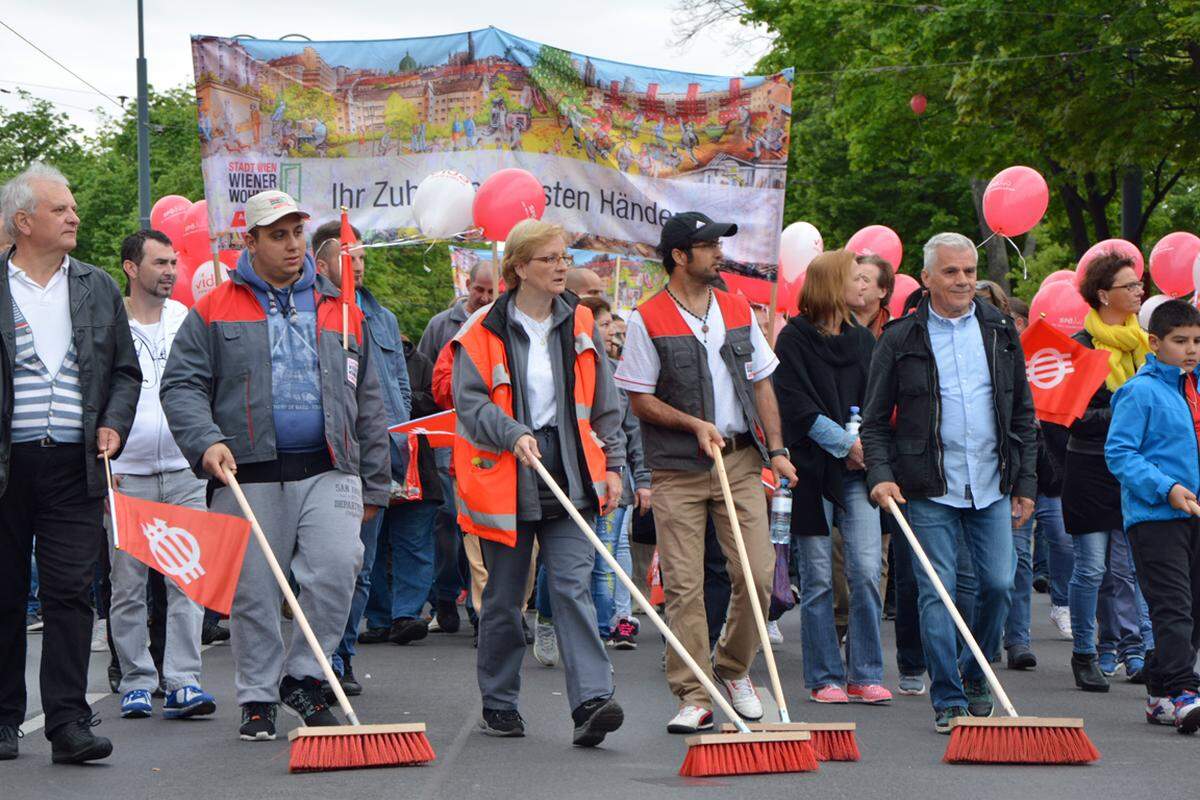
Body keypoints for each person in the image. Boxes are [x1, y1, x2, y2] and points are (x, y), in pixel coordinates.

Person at [161, 190, 390, 742]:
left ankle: (306, 678)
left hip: (329, 467)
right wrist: (206, 440)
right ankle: (258, 696)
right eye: (277, 235)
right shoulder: (214, 307)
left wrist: (376, 480)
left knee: (338, 569)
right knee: (253, 592)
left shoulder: (342, 308)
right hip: (246, 472)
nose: (292, 245)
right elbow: (182, 385)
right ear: (251, 242)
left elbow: (371, 398)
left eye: (296, 233)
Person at [615, 211, 797, 733]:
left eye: (719, 243)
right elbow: (640, 400)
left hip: (740, 459)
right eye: (709, 245)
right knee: (685, 584)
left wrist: (777, 450)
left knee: (758, 575)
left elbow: (762, 383)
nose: (720, 252)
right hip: (677, 469)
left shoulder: (738, 307)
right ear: (679, 256)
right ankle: (694, 692)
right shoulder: (647, 317)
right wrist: (693, 423)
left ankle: (732, 667)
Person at [452, 218, 626, 746]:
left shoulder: (580, 326)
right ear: (519, 267)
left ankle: (592, 701)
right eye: (550, 259)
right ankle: (500, 702)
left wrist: (614, 463)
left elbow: (605, 402)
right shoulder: (480, 330)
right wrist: (511, 433)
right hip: (507, 474)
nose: (561, 267)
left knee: (573, 588)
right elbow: (470, 403)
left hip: (570, 468)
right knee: (505, 598)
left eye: (564, 258)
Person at [862, 232, 1037, 734]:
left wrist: (1025, 481)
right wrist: (881, 475)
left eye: (969, 272)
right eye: (951, 272)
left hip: (992, 481)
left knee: (1000, 585)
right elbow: (874, 422)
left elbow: (1023, 412)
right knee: (936, 593)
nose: (963, 281)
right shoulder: (900, 337)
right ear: (926, 278)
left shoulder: (1001, 329)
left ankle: (976, 670)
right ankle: (948, 697)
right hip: (927, 485)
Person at [0, 162, 140, 763]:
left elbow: (127, 372)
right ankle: (3, 719)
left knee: (69, 593)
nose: (74, 217)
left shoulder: (97, 286)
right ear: (23, 221)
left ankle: (67, 723)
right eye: (60, 209)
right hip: (7, 465)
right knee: (4, 593)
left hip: (75, 465)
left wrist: (113, 420)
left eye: (73, 207)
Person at [773, 250, 891, 704]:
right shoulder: (794, 339)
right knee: (820, 577)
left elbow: (876, 399)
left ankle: (865, 671)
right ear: (828, 284)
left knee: (865, 571)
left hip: (857, 472)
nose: (861, 287)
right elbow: (794, 403)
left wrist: (867, 448)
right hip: (812, 469)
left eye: (866, 281)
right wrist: (846, 444)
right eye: (852, 279)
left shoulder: (862, 340)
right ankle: (824, 675)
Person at [109, 230, 216, 721]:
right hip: (126, 474)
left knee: (187, 583)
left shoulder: (187, 320)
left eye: (174, 262)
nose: (172, 271)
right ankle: (135, 680)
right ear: (132, 268)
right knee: (127, 586)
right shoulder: (108, 322)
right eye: (160, 262)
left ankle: (183, 681)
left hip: (183, 470)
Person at [311, 220, 413, 694]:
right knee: (324, 569)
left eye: (363, 257)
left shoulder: (382, 318)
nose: (359, 265)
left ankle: (343, 655)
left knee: (361, 567)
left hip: (374, 458)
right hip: (325, 460)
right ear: (322, 261)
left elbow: (396, 387)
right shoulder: (312, 312)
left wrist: (393, 442)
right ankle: (315, 656)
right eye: (350, 257)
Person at [1106, 299, 1200, 733]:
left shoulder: (1195, 388)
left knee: (1194, 610)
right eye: (1180, 341)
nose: (1191, 349)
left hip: (1195, 514)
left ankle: (1160, 691)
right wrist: (1167, 488)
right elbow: (1119, 453)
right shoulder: (1139, 391)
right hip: (1155, 516)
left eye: (1197, 341)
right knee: (1173, 608)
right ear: (1155, 342)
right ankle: (1185, 691)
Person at [1063, 252, 1155, 691]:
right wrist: (1125, 411)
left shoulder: (1146, 343)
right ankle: (1087, 652)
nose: (1140, 291)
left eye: (1140, 285)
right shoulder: (1080, 345)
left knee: (1129, 567)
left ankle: (1134, 650)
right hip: (1089, 466)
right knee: (1092, 568)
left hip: (1134, 467)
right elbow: (1075, 417)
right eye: (1130, 286)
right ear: (1104, 295)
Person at [418, 261, 494, 636]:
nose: (483, 298)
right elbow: (431, 381)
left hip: (496, 441)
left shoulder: (507, 323)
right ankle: (445, 597)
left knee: (483, 526)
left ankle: (486, 612)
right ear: (468, 285)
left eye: (491, 292)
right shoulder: (441, 326)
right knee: (448, 521)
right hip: (451, 440)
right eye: (479, 290)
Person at [362, 334, 443, 662]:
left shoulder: (421, 363)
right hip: (373, 469)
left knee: (413, 545)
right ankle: (381, 617)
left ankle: (405, 615)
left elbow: (436, 402)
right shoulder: (356, 357)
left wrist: (402, 403)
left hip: (415, 472)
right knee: (374, 546)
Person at [579, 294, 651, 648]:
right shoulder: (575, 369)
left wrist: (642, 479)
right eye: (604, 324)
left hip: (614, 476)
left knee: (610, 550)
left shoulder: (620, 374)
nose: (612, 332)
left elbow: (629, 430)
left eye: (611, 324)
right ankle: (560, 618)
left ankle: (609, 623)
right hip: (579, 476)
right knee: (581, 556)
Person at [849, 254, 895, 338]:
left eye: (865, 279)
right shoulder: (833, 319)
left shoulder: (894, 330)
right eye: (855, 278)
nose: (857, 284)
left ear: (882, 292)